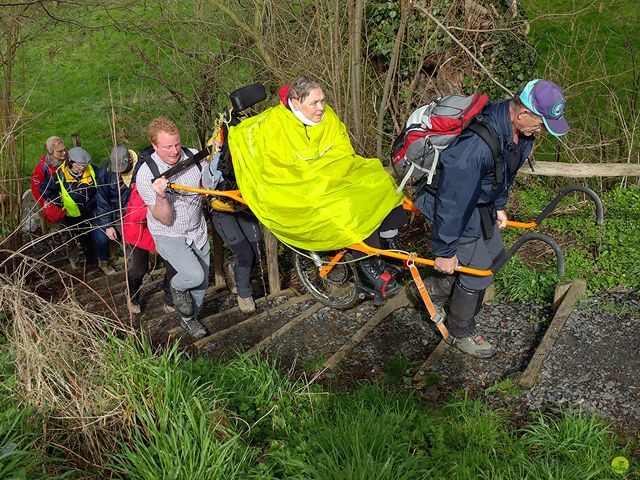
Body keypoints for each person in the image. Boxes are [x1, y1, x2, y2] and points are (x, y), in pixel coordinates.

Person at [413, 79, 569, 358]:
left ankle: (432, 289)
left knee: (496, 256)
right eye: (541, 123)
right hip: (446, 203)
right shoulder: (477, 145)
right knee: (479, 270)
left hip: (476, 201)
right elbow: (452, 200)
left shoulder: (520, 134)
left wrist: (498, 205)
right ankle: (460, 332)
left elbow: (501, 176)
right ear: (522, 114)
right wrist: (446, 250)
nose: (542, 131)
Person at [227, 75, 407, 300]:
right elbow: (279, 166)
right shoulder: (274, 126)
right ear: (295, 103)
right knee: (345, 206)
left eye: (322, 100)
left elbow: (341, 149)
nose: (321, 108)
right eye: (314, 103)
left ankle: (389, 245)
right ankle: (366, 266)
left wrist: (332, 171)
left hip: (332, 173)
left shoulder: (325, 115)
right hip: (298, 186)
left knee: (380, 180)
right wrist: (318, 174)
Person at [135, 117, 209, 339]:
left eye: (177, 144)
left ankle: (188, 319)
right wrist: (160, 195)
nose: (175, 151)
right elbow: (165, 219)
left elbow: (207, 187)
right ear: (154, 146)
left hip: (197, 229)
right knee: (193, 275)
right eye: (168, 146)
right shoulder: (147, 173)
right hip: (169, 233)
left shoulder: (193, 157)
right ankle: (176, 286)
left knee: (202, 281)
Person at [95, 145, 178, 313]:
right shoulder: (106, 172)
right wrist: (108, 224)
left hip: (158, 222)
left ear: (130, 160)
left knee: (172, 265)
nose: (119, 173)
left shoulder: (146, 167)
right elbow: (102, 199)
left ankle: (169, 298)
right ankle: (132, 295)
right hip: (132, 224)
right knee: (139, 268)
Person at [203, 147, 262, 313]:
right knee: (244, 255)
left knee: (257, 254)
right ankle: (244, 294)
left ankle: (235, 270)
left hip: (244, 207)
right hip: (222, 210)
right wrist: (219, 154)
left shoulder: (249, 146)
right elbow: (209, 183)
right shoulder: (216, 150)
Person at [45, 146, 107, 271]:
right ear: (70, 162)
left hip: (93, 209)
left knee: (99, 236)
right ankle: (91, 262)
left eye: (84, 165)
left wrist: (95, 201)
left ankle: (103, 260)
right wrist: (62, 203)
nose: (82, 168)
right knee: (84, 238)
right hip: (74, 215)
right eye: (79, 166)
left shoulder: (92, 170)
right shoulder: (58, 176)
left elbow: (101, 186)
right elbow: (47, 192)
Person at [31, 136, 68, 225]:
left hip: (68, 191)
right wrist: (44, 203)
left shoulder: (69, 159)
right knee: (53, 214)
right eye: (60, 151)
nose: (64, 153)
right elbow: (36, 189)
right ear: (51, 152)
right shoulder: (41, 168)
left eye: (64, 149)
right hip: (53, 196)